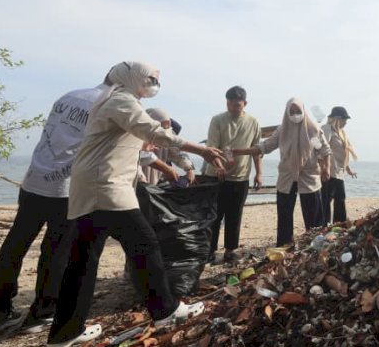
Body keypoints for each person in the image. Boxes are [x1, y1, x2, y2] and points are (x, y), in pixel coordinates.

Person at [45, 61, 225, 347]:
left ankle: (64, 333)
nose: (154, 83)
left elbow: (135, 143)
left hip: (92, 187)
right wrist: (201, 149)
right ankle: (166, 310)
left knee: (82, 261)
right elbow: (155, 133)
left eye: (156, 79)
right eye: (150, 78)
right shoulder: (121, 101)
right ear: (131, 78)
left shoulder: (116, 101)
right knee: (145, 244)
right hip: (106, 187)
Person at [0, 75, 111, 337]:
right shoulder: (108, 105)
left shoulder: (69, 96)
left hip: (33, 181)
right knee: (57, 250)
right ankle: (42, 312)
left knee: (15, 244)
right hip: (65, 188)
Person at [234, 97, 331, 247]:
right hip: (286, 177)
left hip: (309, 177)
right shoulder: (283, 130)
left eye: (298, 111)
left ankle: (314, 244)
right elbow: (265, 146)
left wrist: (326, 167)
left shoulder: (311, 130)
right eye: (291, 112)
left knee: (313, 216)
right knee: (284, 214)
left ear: (303, 111)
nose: (295, 115)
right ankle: (285, 245)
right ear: (286, 113)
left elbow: (323, 150)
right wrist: (239, 151)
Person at [203, 86, 263, 263]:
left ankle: (230, 250)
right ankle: (210, 251)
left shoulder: (253, 122)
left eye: (236, 104)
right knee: (214, 216)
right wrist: (219, 165)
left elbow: (257, 150)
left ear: (245, 103)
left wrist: (259, 173)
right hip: (216, 175)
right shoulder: (218, 120)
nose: (232, 107)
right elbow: (213, 147)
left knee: (234, 216)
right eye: (229, 103)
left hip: (240, 177)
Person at [140, 108, 196, 186]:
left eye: (167, 128)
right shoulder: (137, 136)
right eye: (160, 128)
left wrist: (189, 169)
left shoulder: (167, 136)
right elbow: (138, 158)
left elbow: (177, 153)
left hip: (153, 185)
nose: (164, 131)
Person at [320, 106, 358, 224]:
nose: (346, 122)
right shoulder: (327, 129)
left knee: (340, 200)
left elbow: (341, 155)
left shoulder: (341, 133)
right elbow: (320, 148)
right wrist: (323, 168)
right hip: (329, 172)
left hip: (338, 173)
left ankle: (339, 226)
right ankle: (323, 226)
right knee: (326, 201)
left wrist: (348, 169)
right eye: (344, 119)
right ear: (337, 118)